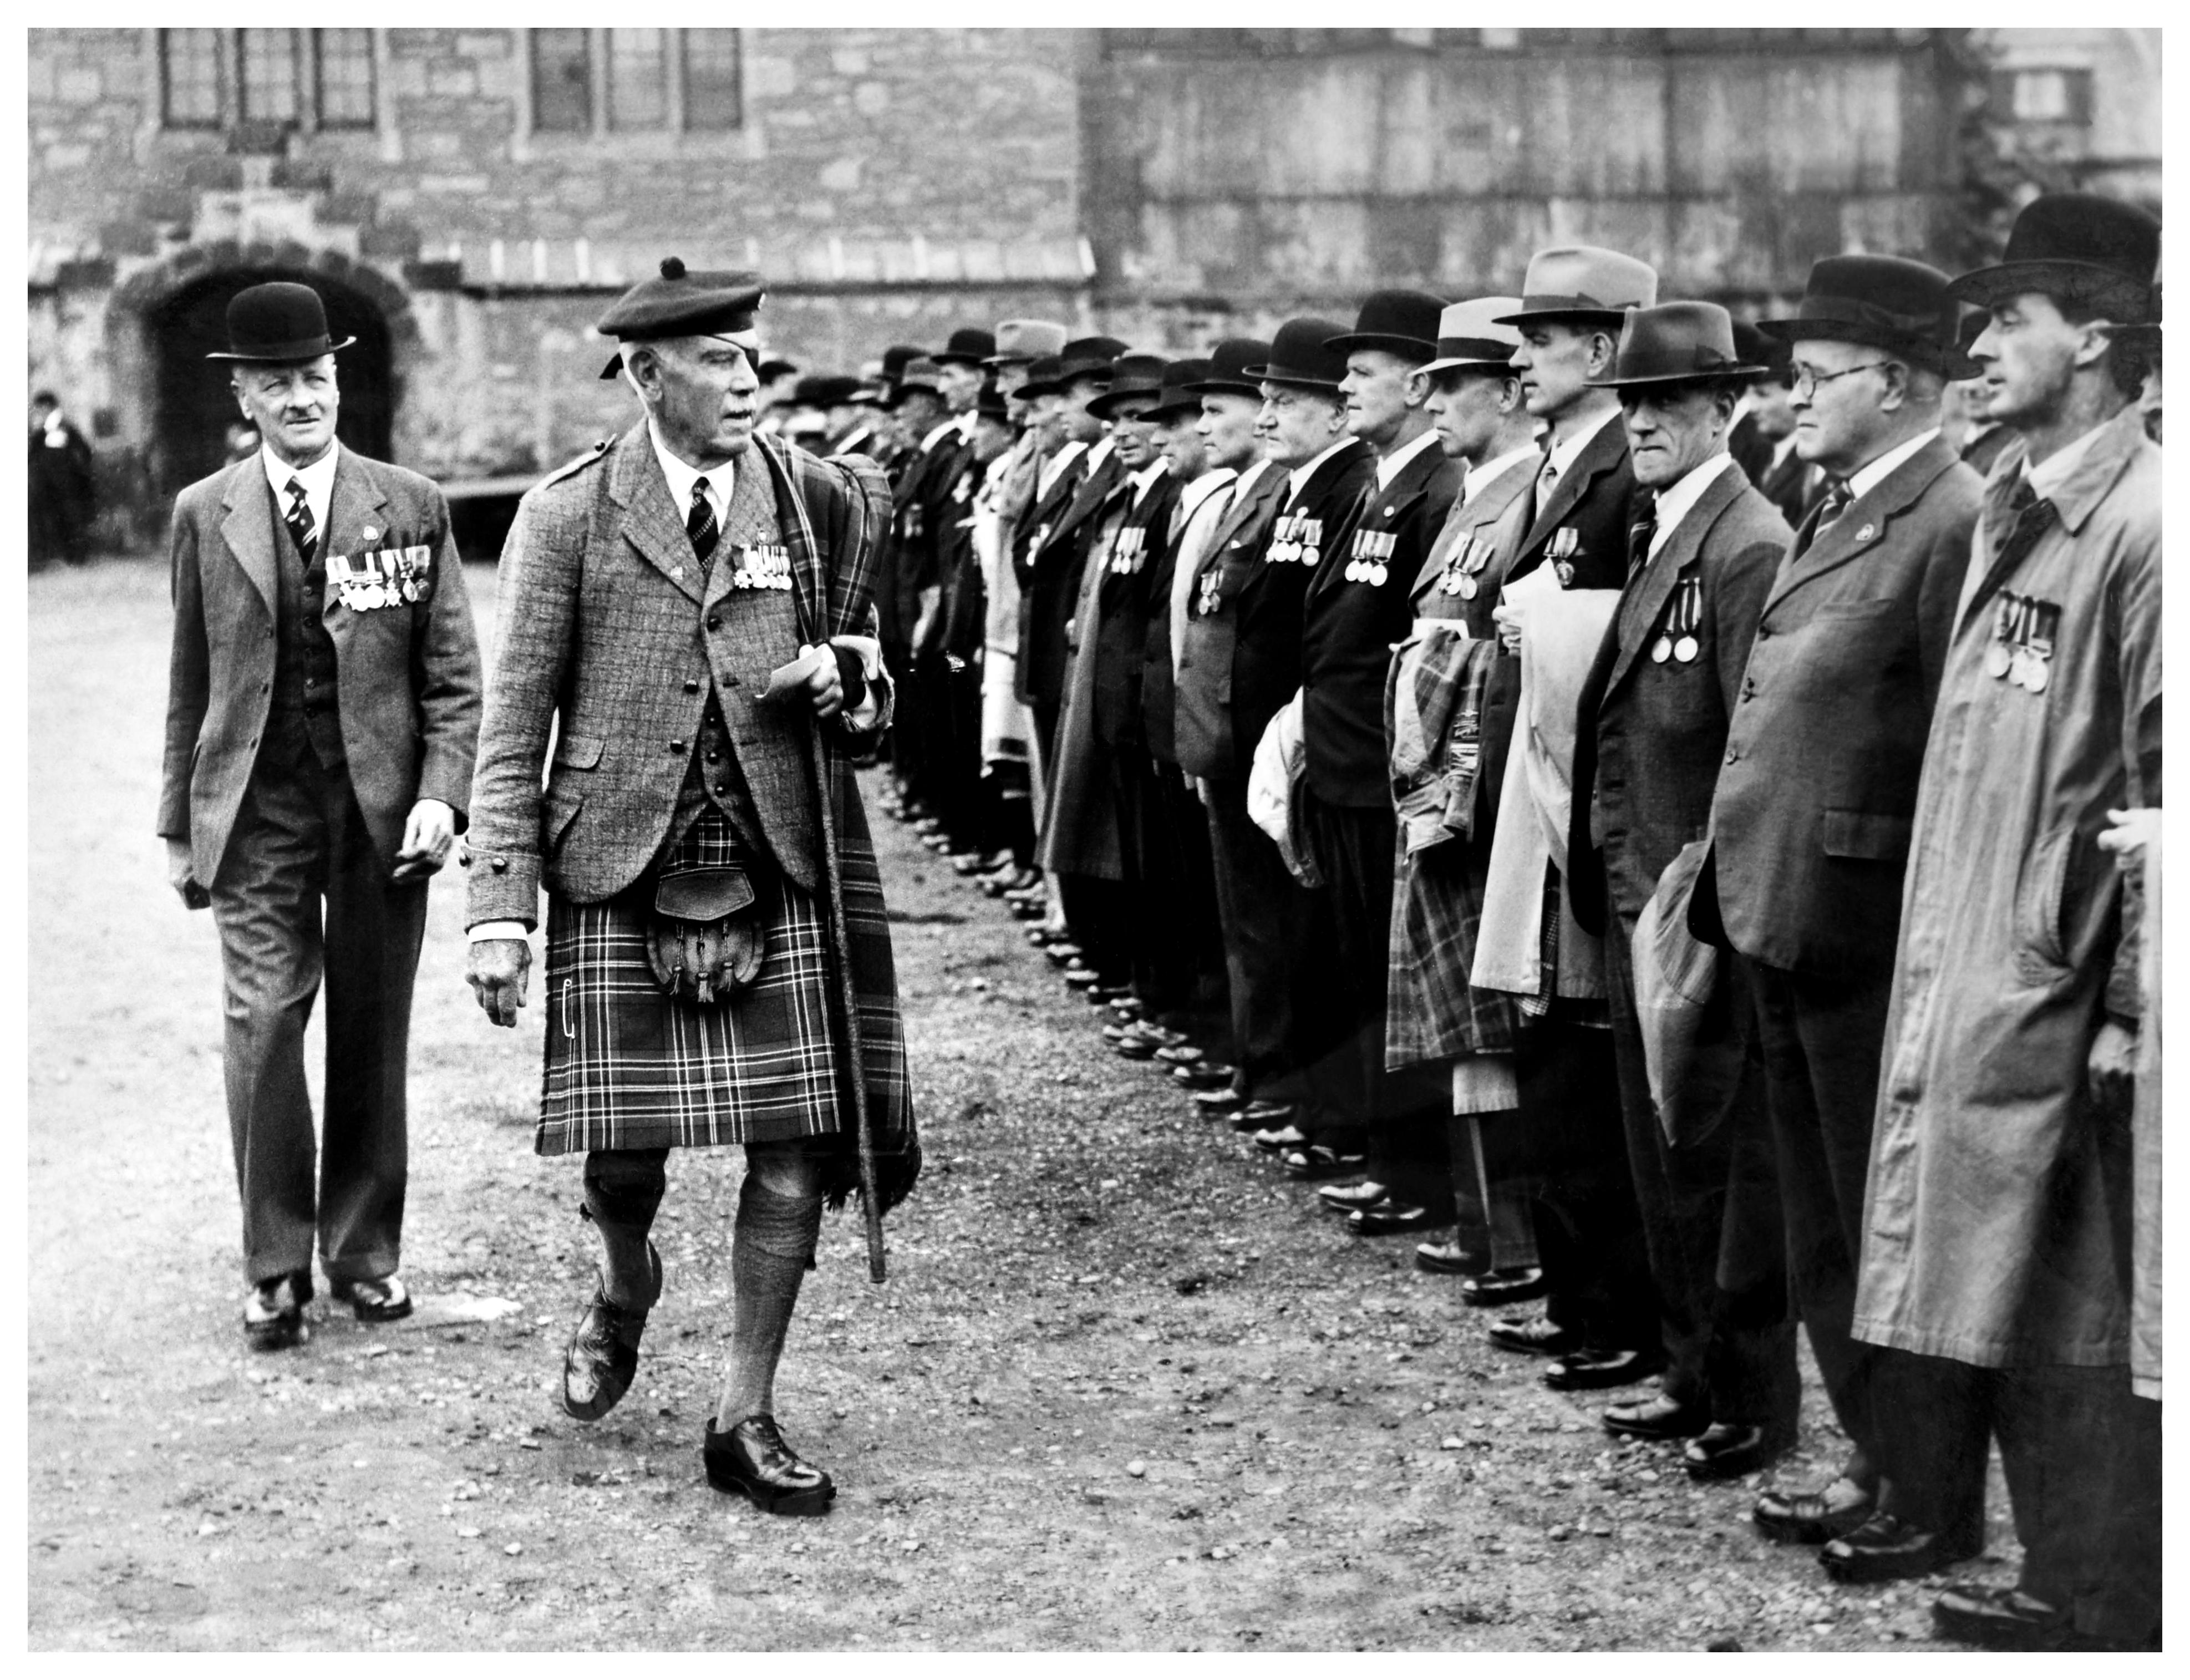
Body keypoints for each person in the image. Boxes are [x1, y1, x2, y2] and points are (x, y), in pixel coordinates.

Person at [463, 258, 918, 1518]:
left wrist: (849, 679)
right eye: (719, 360)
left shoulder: (821, 500)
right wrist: (498, 904)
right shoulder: (565, 516)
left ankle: (744, 1409)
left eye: (751, 353)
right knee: (625, 1161)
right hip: (620, 863)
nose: (748, 377)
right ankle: (624, 1282)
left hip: (780, 855)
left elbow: (876, 686)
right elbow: (515, 726)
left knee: (794, 1147)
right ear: (646, 374)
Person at [1853, 193, 2160, 1648]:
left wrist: (2127, 1006)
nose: (1970, 350)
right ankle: (2064, 1568)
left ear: (2092, 336)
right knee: (2021, 1284)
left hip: (2072, 992)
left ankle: (2095, 1593)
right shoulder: (2018, 503)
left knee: (2078, 1303)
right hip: (1989, 974)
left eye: (2003, 323)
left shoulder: (2142, 531)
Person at [1706, 255, 1985, 1564]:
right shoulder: (1841, 505)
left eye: (1816, 376)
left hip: (1868, 932)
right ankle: (1876, 1448)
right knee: (1824, 1218)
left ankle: (1926, 1487)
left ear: (1897, 384)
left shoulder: (1949, 517)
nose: (1793, 393)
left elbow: (1955, 748)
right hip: (1788, 913)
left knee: (1888, 1222)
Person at [157, 281, 482, 1349]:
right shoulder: (206, 512)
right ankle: (273, 1263)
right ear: (244, 398)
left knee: (371, 1029)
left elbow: (451, 679)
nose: (301, 398)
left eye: (316, 377)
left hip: (382, 808)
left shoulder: (410, 502)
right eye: (277, 383)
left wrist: (442, 792)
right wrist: (177, 823)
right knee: (261, 1021)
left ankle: (362, 1251)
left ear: (338, 382)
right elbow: (189, 681)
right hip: (255, 804)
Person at [1564, 301, 1797, 1478]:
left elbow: (1756, 747)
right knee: (1662, 1156)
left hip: (1695, 901)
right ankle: (1688, 1367)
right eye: (1633, 402)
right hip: (1637, 891)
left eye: (1670, 402)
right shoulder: (1670, 529)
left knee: (1716, 1154)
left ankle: (1748, 1396)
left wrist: (1704, 897)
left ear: (1727, 409)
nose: (1644, 421)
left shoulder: (1747, 540)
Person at [1470, 247, 1661, 1393]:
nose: (1521, 360)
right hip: (1534, 800)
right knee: (1550, 1056)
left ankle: (1610, 1312)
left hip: (1584, 811)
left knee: (1588, 1074)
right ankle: (1574, 1294)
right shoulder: (1559, 468)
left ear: (1598, 352)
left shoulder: (1622, 476)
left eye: (1539, 343)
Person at [1295, 291, 1463, 1234]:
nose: (1346, 387)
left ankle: (1413, 1172)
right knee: (1362, 971)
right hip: (1342, 762)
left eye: (1361, 371)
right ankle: (1387, 1156)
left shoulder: (1434, 487)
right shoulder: (1380, 481)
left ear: (1416, 379)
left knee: (1388, 978)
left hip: (1380, 771)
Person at [1393, 297, 1545, 1293]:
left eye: (1452, 385)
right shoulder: (1467, 495)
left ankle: (1513, 1236)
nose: (1433, 401)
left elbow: (1492, 653)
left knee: (1486, 1018)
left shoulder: (1521, 492)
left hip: (1475, 792)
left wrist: (1450, 785)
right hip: (1439, 785)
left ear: (1505, 389)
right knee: (1456, 1016)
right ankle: (1480, 1220)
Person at [1224, 317, 1376, 1179]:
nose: (1268, 414)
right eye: (1268, 399)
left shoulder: (1347, 486)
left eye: (1287, 400)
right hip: (1280, 747)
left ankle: (1336, 1113)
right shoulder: (1298, 489)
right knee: (1291, 939)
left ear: (1332, 414)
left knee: (1320, 948)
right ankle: (1316, 1105)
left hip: (1323, 750)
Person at [1172, 338, 1299, 1131]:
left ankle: (1277, 1075)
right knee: (1242, 918)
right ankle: (1257, 1066)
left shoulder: (1282, 491)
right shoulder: (1244, 494)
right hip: (1221, 732)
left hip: (1254, 735)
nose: (1205, 424)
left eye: (1219, 411)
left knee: (1270, 920)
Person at [28, 389, 96, 568]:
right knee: (59, 520)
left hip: (69, 485)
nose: (38, 413)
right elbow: (32, 456)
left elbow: (84, 452)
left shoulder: (66, 428)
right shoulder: (42, 432)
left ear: (48, 407)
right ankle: (64, 556)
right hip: (49, 486)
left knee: (72, 519)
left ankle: (77, 557)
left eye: (40, 409)